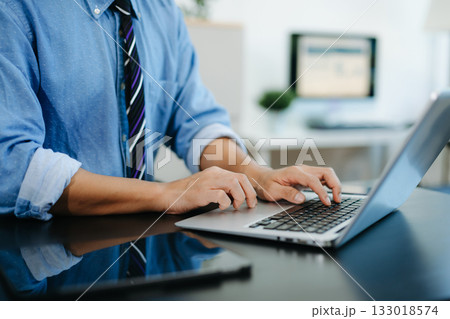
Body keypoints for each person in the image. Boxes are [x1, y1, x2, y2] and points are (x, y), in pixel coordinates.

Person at [0, 0, 341, 221]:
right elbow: (10, 165)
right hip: (44, 250)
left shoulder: (162, 12)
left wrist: (257, 174)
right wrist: (168, 193)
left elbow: (197, 122)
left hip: (141, 233)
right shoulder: (16, 9)